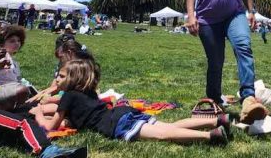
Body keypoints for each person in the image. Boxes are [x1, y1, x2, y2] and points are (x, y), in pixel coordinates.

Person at [39, 58, 230, 146]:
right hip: (123, 112)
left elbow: (50, 126)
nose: (56, 79)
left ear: (73, 79)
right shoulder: (87, 93)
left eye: (61, 76)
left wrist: (38, 114)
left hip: (117, 124)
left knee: (164, 134)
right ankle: (217, 120)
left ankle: (212, 136)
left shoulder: (69, 96)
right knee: (168, 126)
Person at [186, 0, 267, 124]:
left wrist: (251, 12)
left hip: (234, 14)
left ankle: (248, 97)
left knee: (243, 46)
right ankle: (214, 99)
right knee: (215, 62)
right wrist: (191, 16)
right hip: (207, 20)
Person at [0, 25, 34, 110]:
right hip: (3, 95)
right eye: (12, 41)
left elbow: (18, 79)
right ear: (1, 45)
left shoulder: (13, 61)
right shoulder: (0, 60)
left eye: (19, 41)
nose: (17, 43)